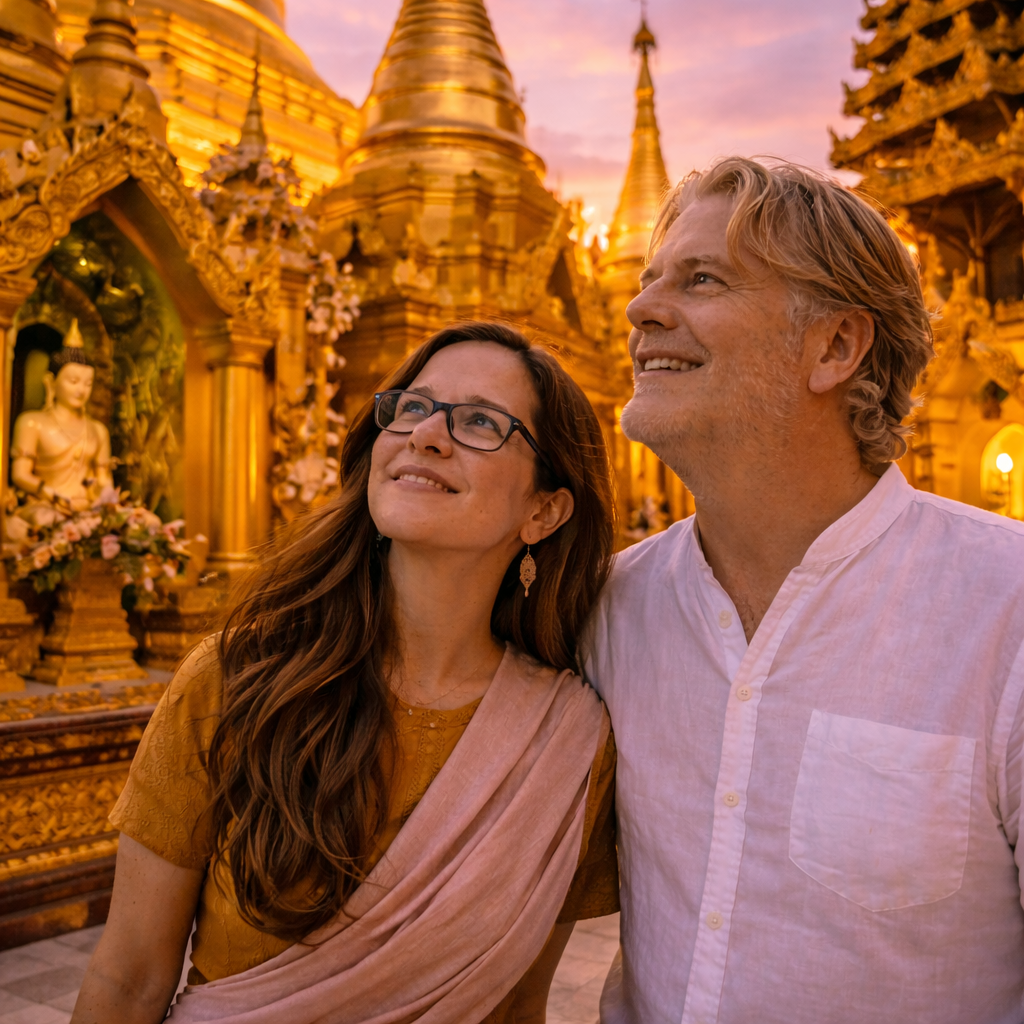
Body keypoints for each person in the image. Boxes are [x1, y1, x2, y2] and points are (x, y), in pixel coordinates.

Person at [71, 321, 618, 1024]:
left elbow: (516, 1009)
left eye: (481, 421)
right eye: (413, 407)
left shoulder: (568, 743)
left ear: (544, 510)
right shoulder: (239, 681)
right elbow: (128, 980)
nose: (425, 434)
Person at [583, 157, 1024, 1024]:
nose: (639, 310)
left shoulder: (1004, 610)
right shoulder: (612, 611)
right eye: (647, 281)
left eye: (701, 279)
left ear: (833, 346)